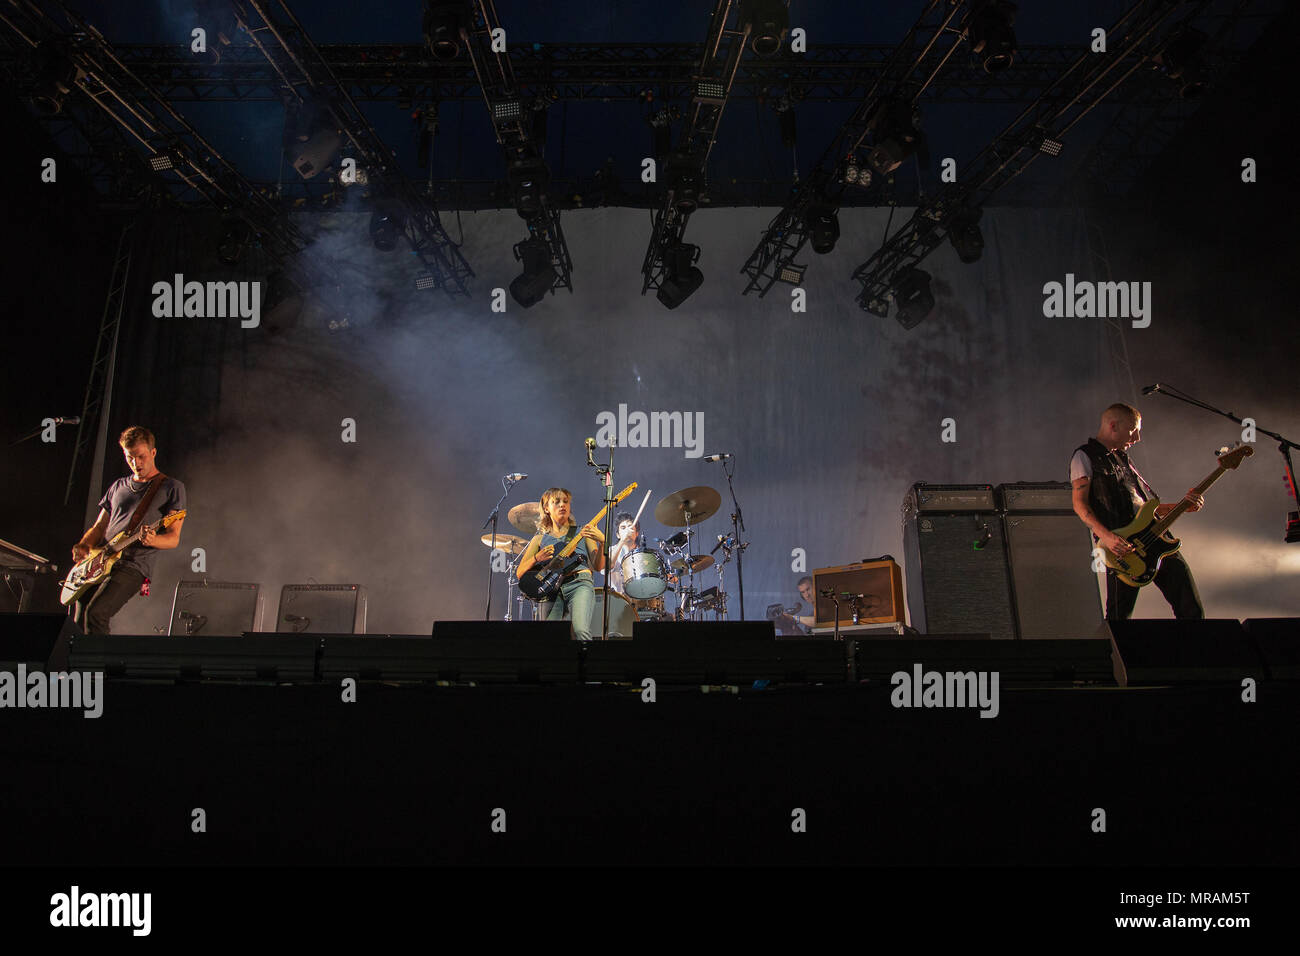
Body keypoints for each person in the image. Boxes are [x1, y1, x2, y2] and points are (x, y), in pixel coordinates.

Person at [1070, 403, 1204, 621]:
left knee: (1191, 609)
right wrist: (1108, 537)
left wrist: (1181, 506)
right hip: (1122, 547)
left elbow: (1141, 507)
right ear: (1113, 426)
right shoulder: (1084, 457)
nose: (1137, 438)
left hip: (1157, 539)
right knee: (1119, 618)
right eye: (1133, 430)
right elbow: (1080, 504)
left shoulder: (1123, 459)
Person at [71, 426, 187, 634]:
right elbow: (99, 527)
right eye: (130, 458)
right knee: (79, 617)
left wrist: (152, 540)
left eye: (141, 457)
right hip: (100, 560)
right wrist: (84, 545)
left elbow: (173, 538)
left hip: (132, 565)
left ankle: (97, 666)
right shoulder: (118, 486)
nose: (136, 463)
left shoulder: (171, 487)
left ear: (153, 452)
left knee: (96, 614)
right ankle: (78, 666)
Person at [516, 487, 605, 640]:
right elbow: (519, 573)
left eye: (566, 501)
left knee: (581, 631)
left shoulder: (583, 531)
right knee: (548, 635)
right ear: (546, 508)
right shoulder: (539, 539)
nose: (562, 505)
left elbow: (598, 566)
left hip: (579, 583)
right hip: (552, 589)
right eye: (556, 502)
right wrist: (537, 558)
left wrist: (603, 542)